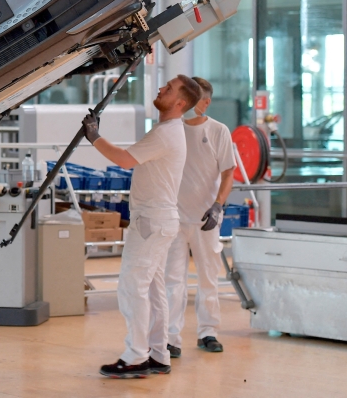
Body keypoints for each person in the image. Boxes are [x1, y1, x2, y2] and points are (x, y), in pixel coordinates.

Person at [82, 75, 203, 379]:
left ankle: (136, 356)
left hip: (151, 221)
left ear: (180, 103)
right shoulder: (167, 130)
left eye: (169, 89)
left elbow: (124, 160)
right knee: (151, 289)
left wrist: (94, 136)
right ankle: (159, 354)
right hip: (158, 220)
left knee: (131, 287)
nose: (161, 88)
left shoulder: (167, 133)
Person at [162, 77, 236, 357]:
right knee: (173, 280)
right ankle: (171, 338)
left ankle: (208, 332)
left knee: (208, 277)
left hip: (207, 218)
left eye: (200, 100)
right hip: (175, 218)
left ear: (205, 102)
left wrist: (218, 205)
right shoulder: (172, 130)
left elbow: (229, 172)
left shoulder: (218, 131)